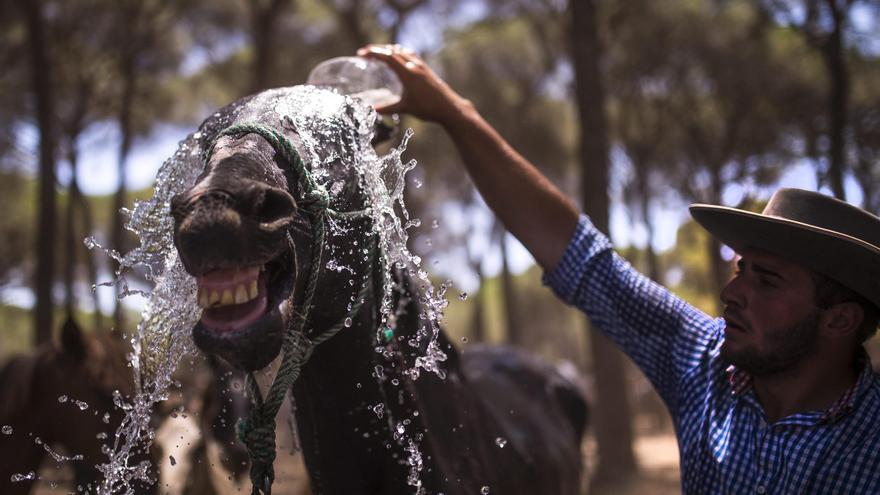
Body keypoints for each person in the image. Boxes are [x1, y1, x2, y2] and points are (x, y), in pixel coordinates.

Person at [359, 44, 880, 493]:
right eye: (741, 268)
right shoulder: (706, 365)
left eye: (766, 280)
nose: (731, 293)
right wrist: (454, 112)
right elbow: (580, 255)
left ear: (840, 319)